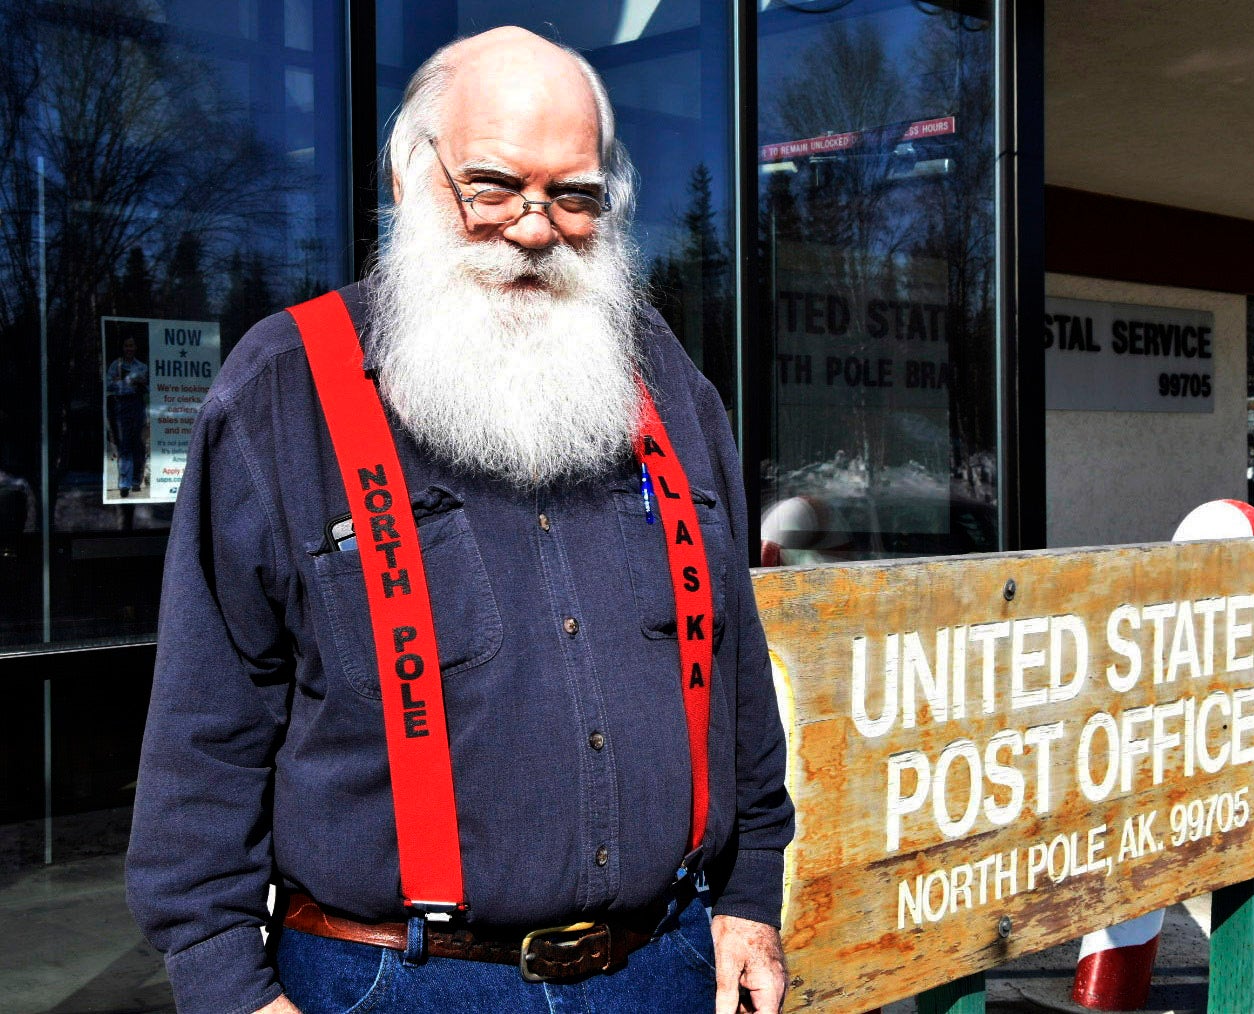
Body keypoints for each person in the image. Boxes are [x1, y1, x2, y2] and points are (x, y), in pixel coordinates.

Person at [127, 26, 794, 1014]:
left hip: (664, 965)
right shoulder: (283, 392)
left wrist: (747, 899)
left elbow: (730, 670)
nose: (533, 227)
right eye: (491, 185)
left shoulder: (668, 388)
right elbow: (208, 733)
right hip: (391, 982)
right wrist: (226, 984)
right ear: (407, 180)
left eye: (572, 196)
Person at [106, 334, 149, 496]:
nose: (129, 349)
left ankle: (136, 481)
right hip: (121, 405)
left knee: (138, 444)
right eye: (126, 346)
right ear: (122, 348)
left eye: (132, 346)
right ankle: (124, 484)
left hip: (138, 404)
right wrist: (125, 383)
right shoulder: (115, 365)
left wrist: (137, 383)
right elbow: (109, 385)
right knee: (125, 445)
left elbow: (148, 387)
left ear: (135, 348)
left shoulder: (142, 366)